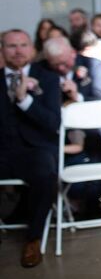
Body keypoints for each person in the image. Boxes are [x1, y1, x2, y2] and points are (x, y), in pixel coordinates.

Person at [0, 29, 61, 268]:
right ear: (3, 50)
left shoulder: (47, 78)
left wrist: (25, 100)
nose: (18, 51)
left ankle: (33, 238)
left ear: (32, 49)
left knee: (46, 174)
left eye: (23, 45)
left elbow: (52, 123)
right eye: (11, 46)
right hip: (3, 150)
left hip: (35, 151)